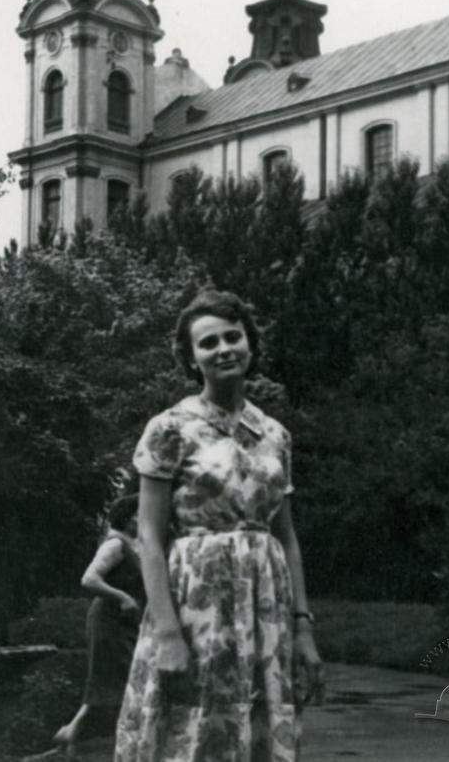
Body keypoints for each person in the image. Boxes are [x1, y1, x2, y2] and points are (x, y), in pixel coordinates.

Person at [115, 289, 324, 762]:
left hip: (266, 606)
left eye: (234, 337)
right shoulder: (170, 428)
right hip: (195, 605)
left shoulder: (274, 434)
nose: (224, 348)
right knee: (192, 730)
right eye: (209, 343)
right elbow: (148, 536)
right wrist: (168, 633)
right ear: (191, 359)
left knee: (258, 731)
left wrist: (303, 628)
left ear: (251, 345)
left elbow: (286, 537)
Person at [54, 495, 144, 757]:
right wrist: (123, 597)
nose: (143, 518)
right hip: (109, 619)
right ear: (127, 519)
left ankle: (71, 731)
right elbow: (89, 579)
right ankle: (133, 738)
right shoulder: (115, 544)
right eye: (138, 514)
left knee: (110, 678)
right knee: (125, 676)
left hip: (122, 621)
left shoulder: (130, 544)